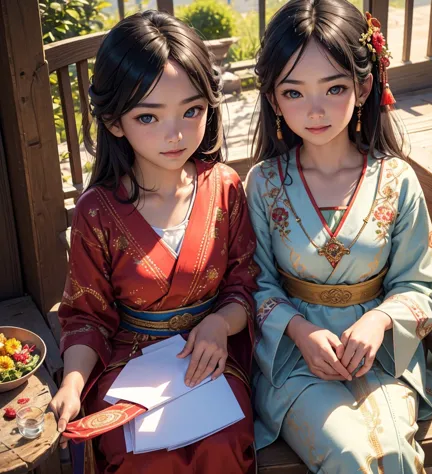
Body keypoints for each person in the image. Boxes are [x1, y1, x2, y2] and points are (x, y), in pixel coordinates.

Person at [244, 0, 432, 472]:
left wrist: (379, 320)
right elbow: (253, 285)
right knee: (349, 452)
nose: (314, 110)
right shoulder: (262, 183)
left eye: (334, 87)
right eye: (294, 92)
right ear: (274, 98)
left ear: (364, 87)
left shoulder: (397, 179)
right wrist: (300, 331)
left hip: (383, 357)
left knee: (396, 453)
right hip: (295, 363)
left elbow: (423, 284)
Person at [49, 10, 259, 474]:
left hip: (210, 359)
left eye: (192, 110)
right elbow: (86, 316)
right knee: (142, 458)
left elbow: (245, 284)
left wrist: (220, 325)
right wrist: (72, 382)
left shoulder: (225, 187)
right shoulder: (97, 212)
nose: (176, 133)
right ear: (114, 121)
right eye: (149, 115)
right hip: (128, 366)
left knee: (222, 445)